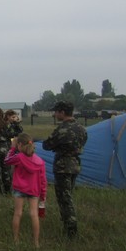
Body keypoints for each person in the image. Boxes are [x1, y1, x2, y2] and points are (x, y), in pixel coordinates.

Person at [42, 101, 88, 238]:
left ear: (62, 112)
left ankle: (71, 229)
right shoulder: (81, 128)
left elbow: (47, 145)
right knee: (68, 194)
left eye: (56, 112)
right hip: (75, 165)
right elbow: (82, 143)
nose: (54, 114)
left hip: (63, 166)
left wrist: (58, 148)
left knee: (64, 198)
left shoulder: (62, 129)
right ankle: (68, 225)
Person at [5, 133, 47, 247]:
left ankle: (16, 240)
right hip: (34, 190)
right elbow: (43, 180)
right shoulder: (40, 161)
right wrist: (43, 195)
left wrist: (13, 148)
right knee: (34, 214)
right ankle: (36, 242)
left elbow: (7, 161)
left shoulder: (18, 157)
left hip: (19, 189)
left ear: (19, 144)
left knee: (18, 213)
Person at [0, 108, 23, 195]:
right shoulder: (7, 125)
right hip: (6, 149)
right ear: (2, 115)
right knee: (6, 170)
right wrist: (16, 122)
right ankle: (8, 191)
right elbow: (18, 132)